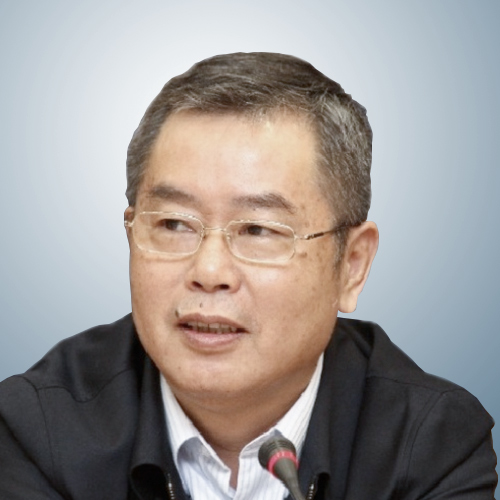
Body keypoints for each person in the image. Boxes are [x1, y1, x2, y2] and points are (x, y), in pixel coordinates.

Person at [0, 52, 496, 500]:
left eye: (259, 230)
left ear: (352, 265)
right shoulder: (40, 428)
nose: (209, 271)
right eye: (174, 224)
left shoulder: (431, 445)